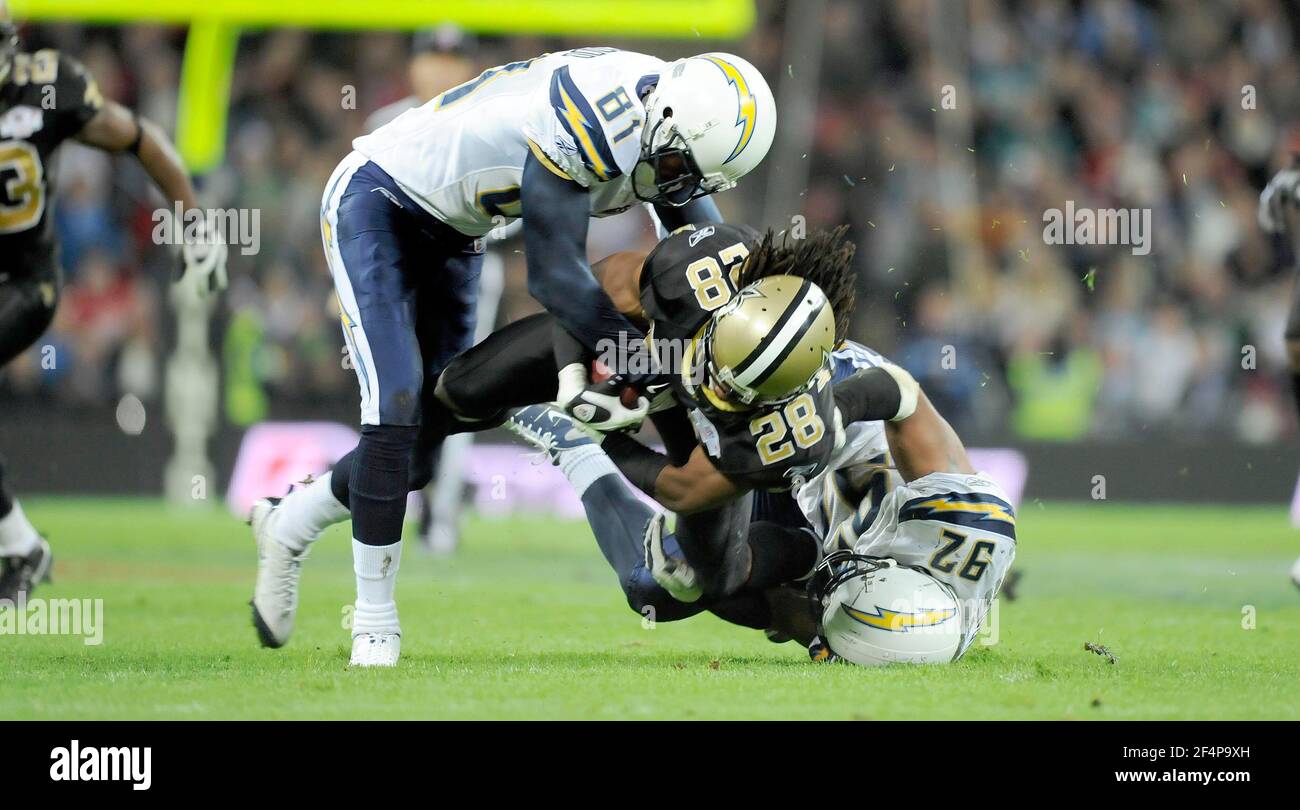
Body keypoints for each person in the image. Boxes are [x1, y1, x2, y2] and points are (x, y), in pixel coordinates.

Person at [251, 46, 776, 666]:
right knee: (395, 403)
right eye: (675, 165)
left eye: (694, 175)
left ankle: (291, 522)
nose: (677, 183)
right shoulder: (596, 118)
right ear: (661, 120)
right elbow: (556, 279)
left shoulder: (677, 124)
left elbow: (703, 253)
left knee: (420, 450)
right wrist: (639, 361)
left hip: (457, 233)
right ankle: (374, 621)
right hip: (380, 201)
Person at [250, 223, 855, 651]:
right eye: (721, 359)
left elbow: (682, 487)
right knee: (446, 402)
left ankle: (572, 451)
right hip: (635, 350)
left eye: (738, 385)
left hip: (702, 443)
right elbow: (584, 288)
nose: (717, 382)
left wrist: (601, 435)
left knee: (681, 588)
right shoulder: (699, 277)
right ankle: (293, 519)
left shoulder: (795, 427)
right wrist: (573, 374)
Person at [0, 6, 227, 601]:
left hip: (24, 283)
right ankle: (20, 545)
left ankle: (20, 545)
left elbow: (139, 138)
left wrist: (194, 221)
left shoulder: (45, 91)